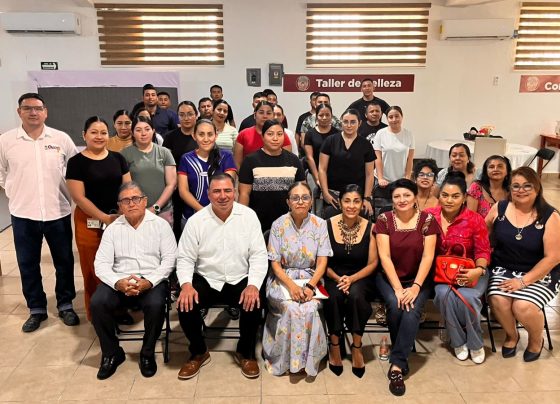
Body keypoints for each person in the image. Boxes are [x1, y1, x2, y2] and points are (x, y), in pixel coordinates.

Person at [0, 92, 79, 332]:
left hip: (58, 211)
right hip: (23, 213)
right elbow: (1, 174)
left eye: (38, 108)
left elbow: (75, 170)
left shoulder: (61, 139)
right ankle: (36, 309)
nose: (33, 112)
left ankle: (65, 304)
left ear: (45, 112)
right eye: (27, 108)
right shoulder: (6, 141)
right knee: (27, 263)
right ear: (19, 112)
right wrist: (14, 190)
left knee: (64, 261)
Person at [176, 173, 268, 379]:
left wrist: (253, 285)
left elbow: (259, 255)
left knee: (254, 300)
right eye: (217, 191)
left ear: (234, 192)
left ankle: (245, 352)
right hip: (207, 278)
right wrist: (186, 285)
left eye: (227, 190)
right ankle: (199, 351)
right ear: (208, 194)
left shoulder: (248, 216)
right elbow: (184, 258)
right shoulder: (196, 221)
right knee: (185, 303)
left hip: (239, 277)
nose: (223, 196)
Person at [91, 182, 177, 380]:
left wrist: (149, 281)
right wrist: (117, 282)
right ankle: (112, 353)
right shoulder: (113, 229)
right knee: (97, 303)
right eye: (126, 200)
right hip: (120, 280)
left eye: (136, 199)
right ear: (119, 206)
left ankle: (147, 353)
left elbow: (170, 259)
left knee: (156, 304)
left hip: (151, 280)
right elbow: (101, 264)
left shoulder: (160, 225)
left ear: (145, 201)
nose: (131, 204)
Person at [485, 167, 560, 362]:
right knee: (498, 299)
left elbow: (553, 257)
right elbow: (482, 235)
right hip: (503, 267)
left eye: (527, 186)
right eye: (516, 186)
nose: (521, 190)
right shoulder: (500, 208)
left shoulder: (550, 215)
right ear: (510, 188)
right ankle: (512, 336)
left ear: (537, 187)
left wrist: (523, 281)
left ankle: (536, 340)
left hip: (540, 272)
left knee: (523, 306)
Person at [374, 179, 438, 396]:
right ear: (392, 200)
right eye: (397, 196)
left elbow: (428, 257)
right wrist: (398, 289)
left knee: (410, 310)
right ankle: (402, 353)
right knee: (395, 304)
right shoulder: (384, 219)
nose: (402, 200)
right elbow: (384, 256)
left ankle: (397, 366)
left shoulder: (427, 221)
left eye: (407, 195)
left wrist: (416, 287)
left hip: (419, 278)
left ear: (415, 197)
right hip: (389, 277)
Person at [263, 182, 332, 376]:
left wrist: (310, 286)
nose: (300, 201)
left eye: (305, 197)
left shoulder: (320, 224)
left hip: (312, 277)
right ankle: (284, 360)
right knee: (291, 307)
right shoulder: (278, 225)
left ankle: (308, 361)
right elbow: (275, 264)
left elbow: (322, 262)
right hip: (283, 278)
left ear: (311, 201)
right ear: (288, 202)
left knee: (310, 307)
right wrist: (292, 286)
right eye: (295, 198)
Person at [66, 116, 131, 320]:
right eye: (94, 132)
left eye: (103, 132)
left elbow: (128, 189)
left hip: (118, 219)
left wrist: (122, 213)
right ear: (84, 135)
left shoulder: (118, 158)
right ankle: (98, 314)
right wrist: (103, 217)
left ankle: (120, 309)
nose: (99, 136)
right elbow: (79, 197)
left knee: (119, 264)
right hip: (89, 221)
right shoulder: (76, 162)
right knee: (93, 267)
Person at [426, 172, 491, 364]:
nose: (449, 200)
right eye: (445, 195)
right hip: (442, 273)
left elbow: (483, 250)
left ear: (464, 198)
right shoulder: (429, 216)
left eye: (455, 196)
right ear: (439, 196)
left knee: (467, 298)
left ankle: (475, 343)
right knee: (444, 295)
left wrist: (477, 271)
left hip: (472, 270)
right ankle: (458, 341)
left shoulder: (474, 219)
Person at [323, 184, 378, 378]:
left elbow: (373, 263)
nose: (351, 206)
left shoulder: (371, 227)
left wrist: (352, 279)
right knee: (333, 297)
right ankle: (335, 344)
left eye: (356, 201)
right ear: (339, 203)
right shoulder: (326, 225)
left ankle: (357, 346)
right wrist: (339, 279)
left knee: (356, 296)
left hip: (361, 276)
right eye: (347, 201)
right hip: (333, 275)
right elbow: (321, 262)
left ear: (362, 203)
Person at [238, 119, 305, 232]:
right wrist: (242, 219)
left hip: (289, 222)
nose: (275, 138)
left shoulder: (293, 160)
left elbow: (302, 191)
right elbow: (244, 194)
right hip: (258, 222)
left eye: (279, 134)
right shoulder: (250, 161)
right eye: (270, 134)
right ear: (262, 136)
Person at [177, 119, 237, 225]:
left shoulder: (226, 157)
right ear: (194, 136)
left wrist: (214, 214)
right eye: (201, 134)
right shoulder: (186, 159)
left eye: (210, 134)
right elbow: (183, 190)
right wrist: (203, 212)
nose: (206, 139)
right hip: (192, 217)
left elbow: (228, 188)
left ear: (216, 136)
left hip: (221, 217)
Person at [318, 109, 375, 219]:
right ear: (341, 122)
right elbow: (322, 169)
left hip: (357, 195)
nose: (349, 125)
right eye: (345, 122)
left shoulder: (366, 145)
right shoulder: (330, 141)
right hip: (333, 194)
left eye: (353, 122)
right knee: (332, 222)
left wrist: (367, 198)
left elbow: (369, 174)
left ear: (359, 123)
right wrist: (325, 193)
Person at [121, 115, 177, 225]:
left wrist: (156, 208)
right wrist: (137, 208)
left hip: (163, 211)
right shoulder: (125, 154)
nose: (143, 133)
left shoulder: (165, 152)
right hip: (135, 211)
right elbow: (126, 186)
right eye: (138, 130)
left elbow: (171, 184)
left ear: (153, 131)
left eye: (147, 129)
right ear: (132, 133)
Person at [162, 100, 199, 240]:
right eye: (182, 115)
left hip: (199, 185)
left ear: (196, 115)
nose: (186, 118)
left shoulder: (201, 136)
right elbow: (165, 163)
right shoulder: (170, 137)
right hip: (177, 187)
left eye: (190, 114)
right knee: (178, 221)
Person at [303, 103, 339, 214]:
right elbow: (309, 157)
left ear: (332, 116)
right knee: (316, 208)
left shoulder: (337, 133)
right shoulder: (310, 134)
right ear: (316, 116)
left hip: (333, 175)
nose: (324, 118)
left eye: (327, 115)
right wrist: (317, 177)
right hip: (314, 175)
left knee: (333, 206)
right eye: (321, 115)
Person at [233, 101, 292, 169]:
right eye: (261, 113)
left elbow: (287, 161)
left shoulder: (281, 135)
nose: (265, 116)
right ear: (255, 115)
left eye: (268, 113)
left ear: (273, 116)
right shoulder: (243, 134)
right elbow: (237, 163)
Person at [373, 106, 414, 187]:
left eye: (397, 116)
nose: (394, 119)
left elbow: (410, 159)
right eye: (390, 117)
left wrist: (407, 177)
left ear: (402, 117)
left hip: (402, 180)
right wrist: (380, 178)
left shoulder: (409, 134)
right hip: (383, 179)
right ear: (387, 119)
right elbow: (378, 158)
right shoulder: (380, 133)